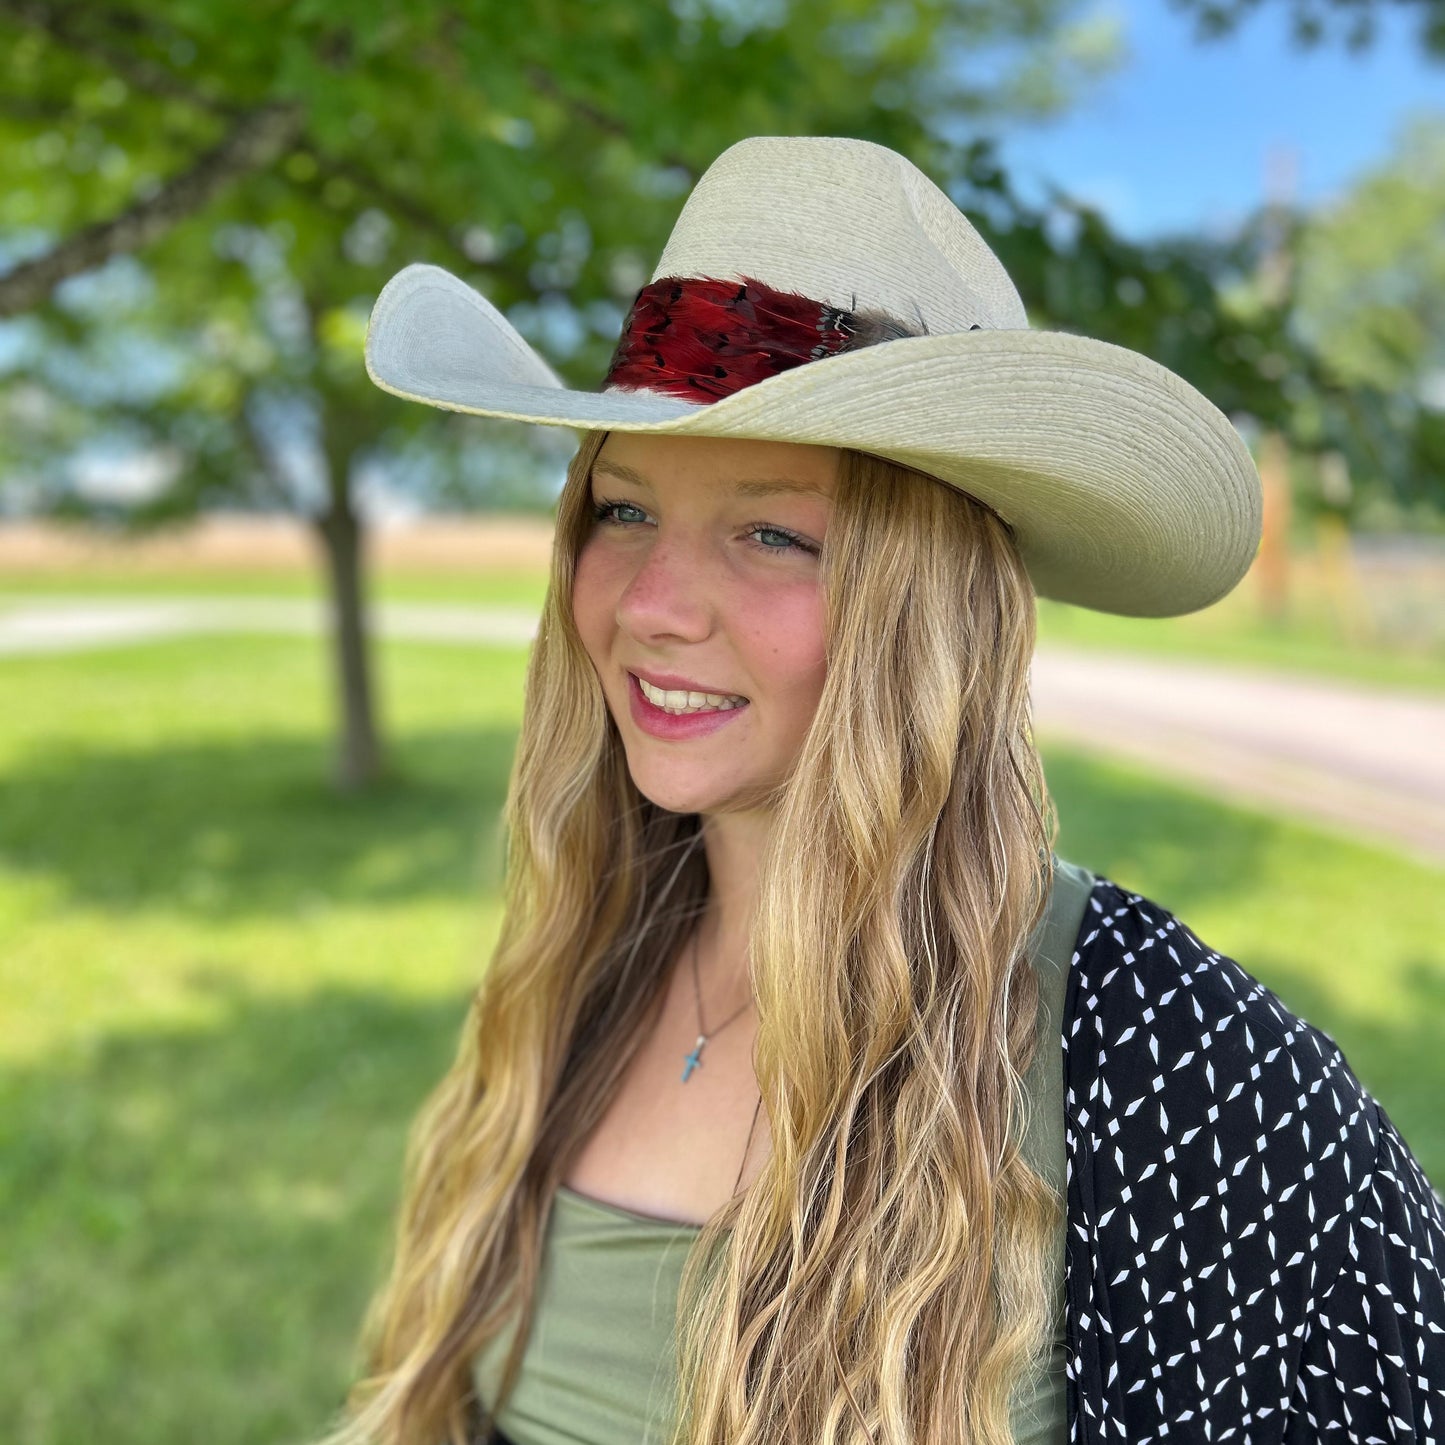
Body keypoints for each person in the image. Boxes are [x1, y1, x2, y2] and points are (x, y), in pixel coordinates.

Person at [319, 136, 1445, 1445]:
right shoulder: (587, 953)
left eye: (769, 533)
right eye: (622, 513)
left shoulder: (1145, 1039)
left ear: (927, 611)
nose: (649, 607)